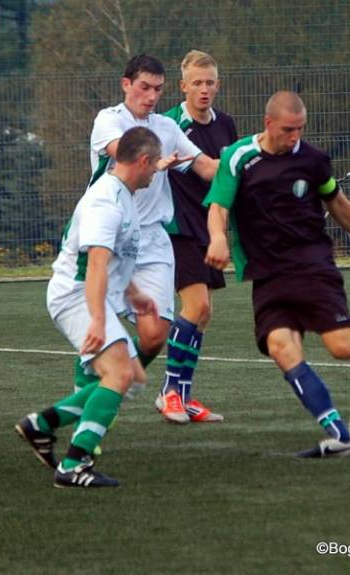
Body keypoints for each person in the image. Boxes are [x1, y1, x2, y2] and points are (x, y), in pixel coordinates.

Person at [203, 91, 350, 457]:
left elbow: (337, 203)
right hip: (266, 274)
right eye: (288, 129)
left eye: (300, 129)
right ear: (268, 124)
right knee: (281, 347)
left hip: (311, 266)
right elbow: (218, 207)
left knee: (343, 347)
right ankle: (341, 436)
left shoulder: (312, 160)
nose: (295, 137)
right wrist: (217, 238)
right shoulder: (238, 157)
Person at [16, 127, 170, 488]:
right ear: (143, 161)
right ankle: (74, 464)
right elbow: (97, 264)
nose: (156, 172)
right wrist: (98, 321)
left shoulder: (122, 193)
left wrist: (133, 293)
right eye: (155, 165)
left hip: (88, 295)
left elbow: (114, 259)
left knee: (133, 378)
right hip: (76, 295)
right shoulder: (107, 200)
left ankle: (42, 424)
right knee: (118, 374)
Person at [73, 54, 218, 409]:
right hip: (111, 236)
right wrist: (156, 161)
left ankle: (115, 378)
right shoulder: (109, 120)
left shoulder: (167, 128)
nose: (151, 96)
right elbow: (124, 154)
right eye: (143, 87)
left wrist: (255, 160)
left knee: (155, 336)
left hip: (152, 239)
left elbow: (205, 167)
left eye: (157, 89)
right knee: (100, 332)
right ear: (126, 84)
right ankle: (91, 392)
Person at [155, 50, 237, 424]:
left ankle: (184, 396)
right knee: (196, 307)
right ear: (183, 86)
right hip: (177, 227)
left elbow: (229, 177)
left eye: (210, 83)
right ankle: (168, 392)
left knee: (204, 315)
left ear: (217, 85)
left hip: (210, 228)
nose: (204, 90)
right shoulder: (168, 124)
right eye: (197, 83)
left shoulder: (226, 125)